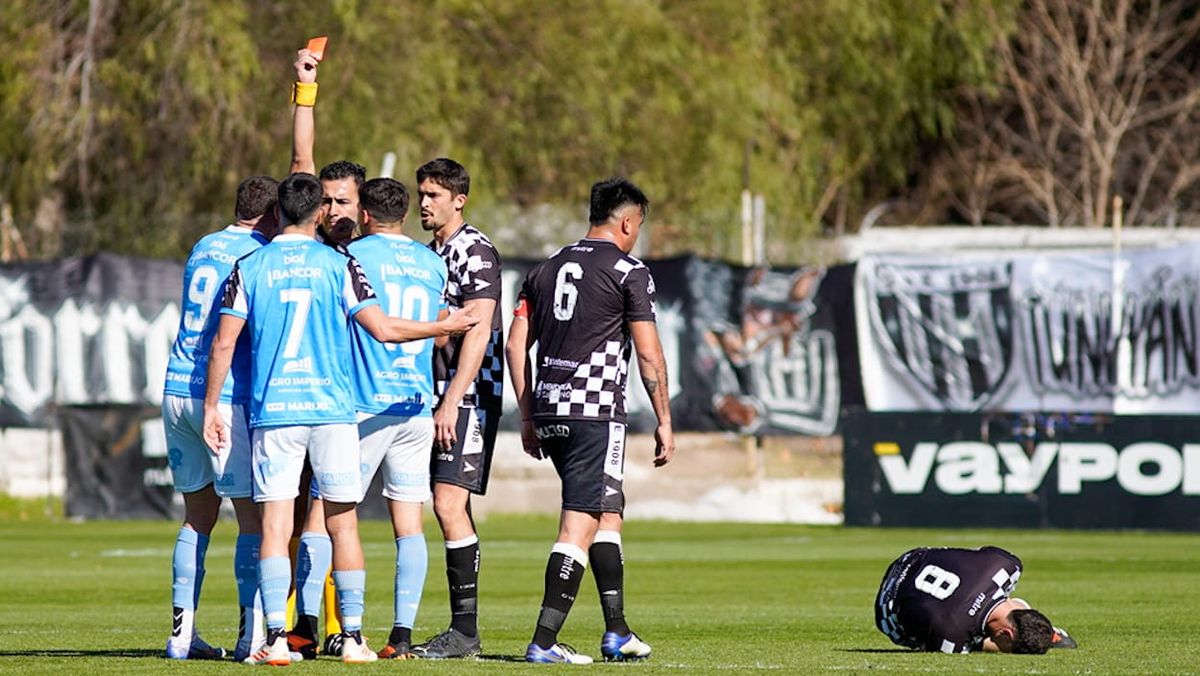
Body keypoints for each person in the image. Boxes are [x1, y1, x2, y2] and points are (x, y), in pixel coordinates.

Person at [201, 172, 478, 665]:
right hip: (336, 410)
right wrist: (443, 324)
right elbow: (384, 329)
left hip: (278, 410)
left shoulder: (251, 264)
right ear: (317, 214)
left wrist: (211, 406)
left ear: (279, 213)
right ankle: (353, 637)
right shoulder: (339, 264)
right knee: (345, 524)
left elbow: (224, 342)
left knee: (275, 525)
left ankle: (280, 639)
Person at [506, 177, 675, 664]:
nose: (636, 234)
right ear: (627, 222)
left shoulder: (544, 268)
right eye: (637, 226)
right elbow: (648, 354)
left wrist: (527, 413)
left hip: (550, 410)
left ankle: (617, 632)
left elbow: (518, 344)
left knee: (607, 513)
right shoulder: (629, 272)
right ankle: (543, 641)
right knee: (577, 523)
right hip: (595, 413)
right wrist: (664, 418)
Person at [161, 175, 278, 661]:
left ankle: (181, 636)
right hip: (221, 396)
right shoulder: (257, 254)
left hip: (174, 388)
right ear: (271, 214)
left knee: (197, 518)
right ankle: (250, 636)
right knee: (251, 516)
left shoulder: (204, 245)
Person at [286, 45, 368, 658]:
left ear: (362, 208)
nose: (333, 209)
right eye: (327, 200)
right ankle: (298, 621)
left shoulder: (368, 254)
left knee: (341, 517)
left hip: (356, 403)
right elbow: (300, 159)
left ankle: (347, 625)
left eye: (343, 202)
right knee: (298, 515)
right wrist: (306, 91)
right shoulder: (310, 241)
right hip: (302, 399)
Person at [345, 177, 449, 659]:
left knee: (331, 519)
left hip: (366, 405)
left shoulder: (354, 257)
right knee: (409, 524)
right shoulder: (431, 262)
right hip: (416, 404)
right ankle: (402, 637)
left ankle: (339, 631)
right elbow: (441, 335)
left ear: (365, 214)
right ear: (405, 215)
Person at [410, 157, 504, 659]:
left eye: (434, 195)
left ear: (459, 199)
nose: (424, 203)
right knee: (450, 504)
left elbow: (481, 327)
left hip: (467, 395)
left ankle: (464, 633)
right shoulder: (430, 255)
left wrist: (452, 400)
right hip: (437, 394)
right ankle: (461, 629)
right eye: (421, 193)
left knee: (446, 504)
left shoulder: (477, 250)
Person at [875, 545, 1078, 654]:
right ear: (1006, 634)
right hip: (886, 608)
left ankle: (1035, 628)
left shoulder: (1009, 566)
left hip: (913, 556)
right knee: (962, 643)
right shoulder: (952, 639)